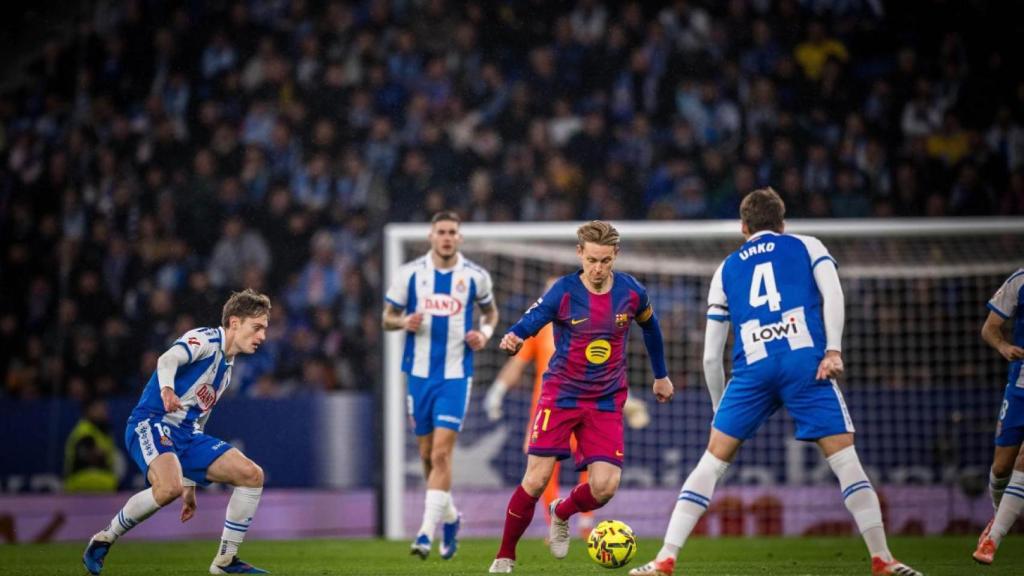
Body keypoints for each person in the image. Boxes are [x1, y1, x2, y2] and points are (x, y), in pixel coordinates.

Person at [629, 188, 921, 576]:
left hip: (753, 368)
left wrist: (720, 409)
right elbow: (834, 294)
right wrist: (833, 350)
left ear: (743, 227)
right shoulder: (807, 245)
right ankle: (882, 558)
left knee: (710, 463)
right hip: (804, 361)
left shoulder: (726, 268)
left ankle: (666, 557)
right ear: (782, 223)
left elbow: (710, 356)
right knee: (845, 460)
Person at [488, 220, 674, 574]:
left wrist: (661, 375)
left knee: (605, 488)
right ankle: (505, 556)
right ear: (580, 254)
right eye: (591, 260)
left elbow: (651, 327)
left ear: (615, 255)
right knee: (536, 478)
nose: (598, 268)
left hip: (605, 400)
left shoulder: (632, 292)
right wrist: (514, 336)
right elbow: (534, 317)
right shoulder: (564, 291)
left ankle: (562, 511)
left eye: (605, 260)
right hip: (561, 396)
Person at [82, 289, 272, 575]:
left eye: (265, 330)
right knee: (167, 488)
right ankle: (104, 538)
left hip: (186, 435)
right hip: (151, 420)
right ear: (234, 323)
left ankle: (225, 560)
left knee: (252, 475)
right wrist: (167, 390)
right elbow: (167, 360)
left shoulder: (227, 370)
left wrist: (190, 485)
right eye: (257, 327)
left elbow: (200, 420)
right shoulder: (206, 339)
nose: (262, 337)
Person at [485, 276, 652, 539]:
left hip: (589, 404)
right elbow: (516, 364)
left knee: (590, 464)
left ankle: (585, 522)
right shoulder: (537, 330)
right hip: (550, 404)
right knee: (542, 472)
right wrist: (497, 391)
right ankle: (552, 521)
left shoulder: (592, 322)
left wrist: (627, 401)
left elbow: (606, 366)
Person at [382, 210, 499, 560]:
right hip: (417, 375)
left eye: (452, 232)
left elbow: (490, 314)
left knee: (441, 454)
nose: (447, 237)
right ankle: (449, 518)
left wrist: (485, 333)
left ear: (459, 238)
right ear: (431, 236)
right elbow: (386, 319)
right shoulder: (410, 275)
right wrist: (404, 320)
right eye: (441, 232)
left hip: (455, 375)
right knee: (425, 456)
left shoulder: (476, 277)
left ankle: (423, 535)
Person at [973, 268, 1024, 564]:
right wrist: (1003, 345)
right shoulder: (1019, 281)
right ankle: (998, 517)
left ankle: (992, 541)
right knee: (1002, 466)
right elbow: (989, 327)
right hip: (1018, 385)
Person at [64, 399, 119, 492]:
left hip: (97, 477)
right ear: (89, 411)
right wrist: (99, 453)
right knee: (111, 483)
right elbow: (88, 455)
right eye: (99, 408)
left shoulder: (102, 430)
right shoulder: (84, 430)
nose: (104, 412)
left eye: (104, 408)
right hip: (82, 478)